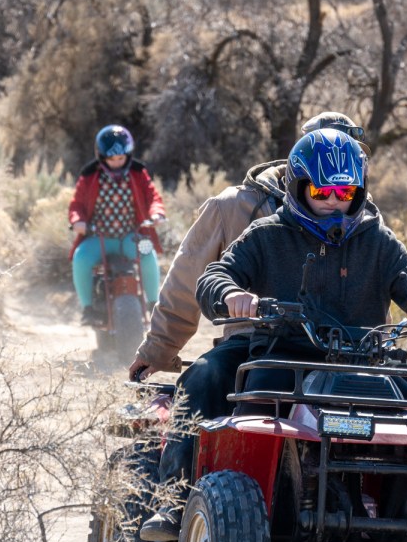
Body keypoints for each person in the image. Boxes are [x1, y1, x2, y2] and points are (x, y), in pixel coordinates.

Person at [139, 128, 407, 542]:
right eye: (322, 191)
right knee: (204, 375)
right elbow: (214, 275)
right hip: (281, 350)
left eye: (345, 192)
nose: (334, 201)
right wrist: (231, 294)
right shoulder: (267, 234)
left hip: (362, 358)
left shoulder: (376, 239)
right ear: (298, 187)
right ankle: (175, 499)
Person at [127, 111, 368, 380]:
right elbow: (187, 280)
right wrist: (158, 349)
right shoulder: (233, 206)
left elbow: (388, 281)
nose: (337, 171)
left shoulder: (364, 219)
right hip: (251, 343)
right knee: (205, 378)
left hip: (344, 348)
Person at [68, 124, 166, 326]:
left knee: (147, 253)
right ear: (101, 156)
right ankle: (88, 309)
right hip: (98, 238)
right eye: (111, 159)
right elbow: (76, 204)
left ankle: (153, 304)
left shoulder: (138, 173)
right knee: (80, 257)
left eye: (120, 158)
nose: (116, 163)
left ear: (128, 155)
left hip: (130, 237)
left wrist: (156, 214)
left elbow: (153, 196)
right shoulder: (89, 175)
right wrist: (77, 221)